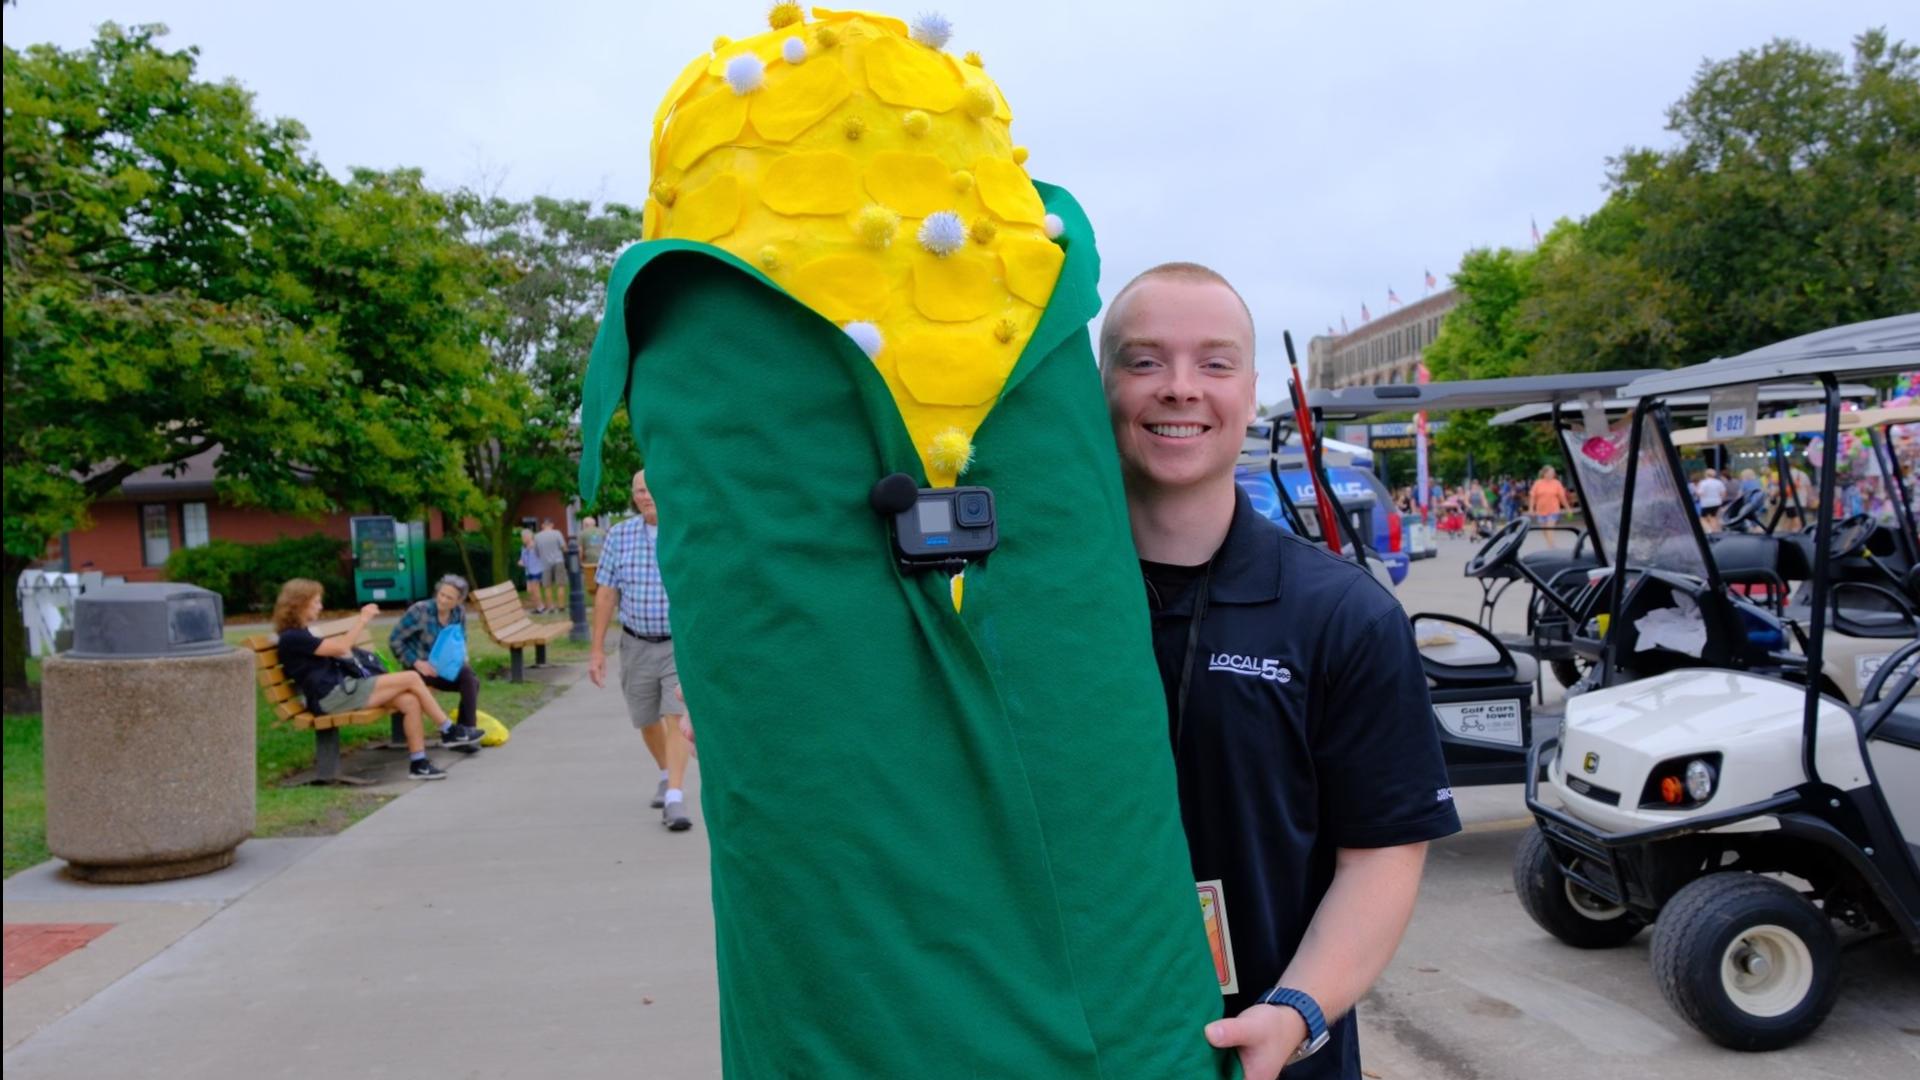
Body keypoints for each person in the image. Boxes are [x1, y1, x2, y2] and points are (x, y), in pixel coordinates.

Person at [1099, 262, 1460, 1080]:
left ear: (1249, 388)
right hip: (1077, 1043)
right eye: (1146, 360)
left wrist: (1296, 1008)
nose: (1181, 388)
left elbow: (1383, 853)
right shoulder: (1034, 605)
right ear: (1104, 383)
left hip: (1270, 1052)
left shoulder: (1343, 616)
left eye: (1214, 363)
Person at [272, 579, 479, 781]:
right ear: (299, 604)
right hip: (330, 697)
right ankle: (448, 730)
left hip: (342, 690)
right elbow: (342, 648)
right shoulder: (293, 637)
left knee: (409, 700)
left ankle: (419, 763)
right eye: (316, 601)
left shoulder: (301, 633)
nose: (320, 606)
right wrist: (362, 619)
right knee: (412, 677)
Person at [588, 470, 692, 832]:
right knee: (645, 719)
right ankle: (666, 772)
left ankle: (675, 797)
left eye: (651, 489)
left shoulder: (684, 530)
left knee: (676, 716)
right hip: (635, 642)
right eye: (639, 491)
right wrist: (597, 650)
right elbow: (605, 593)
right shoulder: (620, 535)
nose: (646, 496)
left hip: (677, 643)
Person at [388, 574, 485, 745]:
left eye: (450, 597)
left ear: (458, 601)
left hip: (443, 668)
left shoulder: (459, 613)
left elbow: (461, 639)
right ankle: (462, 735)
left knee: (470, 678)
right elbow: (395, 640)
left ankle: (466, 731)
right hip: (418, 670)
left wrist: (462, 658)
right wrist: (416, 662)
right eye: (441, 594)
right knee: (471, 679)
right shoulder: (420, 611)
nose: (443, 600)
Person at [533, 517, 569, 614]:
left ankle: (551, 607)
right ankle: (561, 606)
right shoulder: (557, 533)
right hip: (558, 561)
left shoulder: (537, 536)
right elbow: (564, 547)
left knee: (547, 586)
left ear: (542, 526)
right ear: (552, 525)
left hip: (545, 563)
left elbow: (536, 552)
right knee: (560, 584)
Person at [1529, 465, 1570, 548]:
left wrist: (1568, 508)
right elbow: (1532, 497)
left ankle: (1551, 546)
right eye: (1550, 472)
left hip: (1553, 510)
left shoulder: (1557, 483)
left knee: (1549, 528)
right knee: (1544, 529)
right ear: (1545, 473)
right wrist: (1531, 509)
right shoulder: (1538, 483)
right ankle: (1550, 543)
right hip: (1540, 510)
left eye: (1553, 472)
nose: (1552, 474)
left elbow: (1562, 497)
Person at [518, 528, 544, 612]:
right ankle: (538, 606)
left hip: (536, 570)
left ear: (530, 536)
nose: (523, 539)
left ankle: (540, 607)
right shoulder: (523, 547)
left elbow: (542, 556)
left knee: (535, 589)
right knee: (530, 590)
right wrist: (521, 562)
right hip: (528, 571)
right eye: (522, 537)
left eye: (524, 537)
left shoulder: (536, 545)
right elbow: (522, 559)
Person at [1697, 467, 1727, 532]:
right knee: (1714, 517)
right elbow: (1723, 493)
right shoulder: (1719, 482)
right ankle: (1715, 531)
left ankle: (1709, 530)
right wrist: (1720, 500)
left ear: (1706, 474)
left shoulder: (1703, 483)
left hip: (1706, 503)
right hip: (1717, 502)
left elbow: (1700, 493)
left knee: (1702, 518)